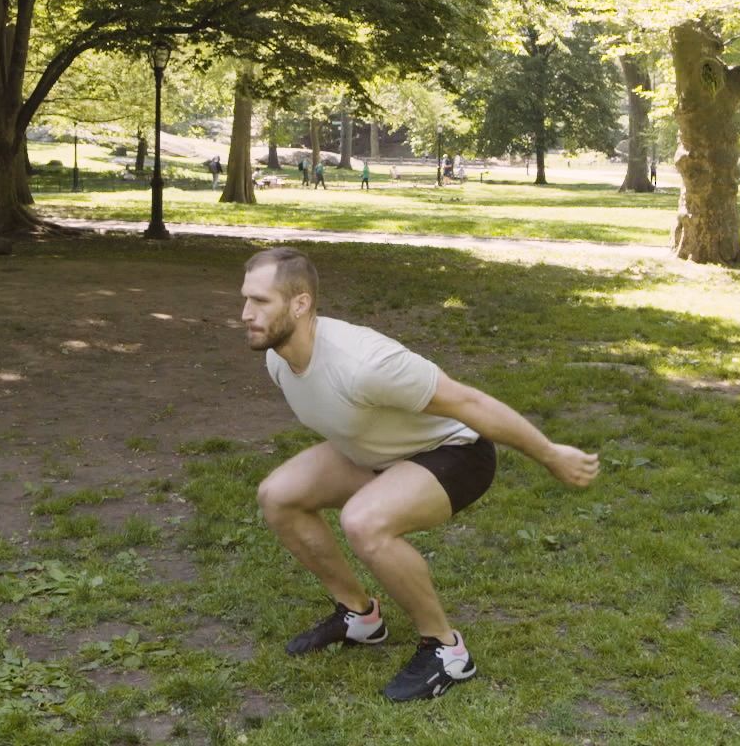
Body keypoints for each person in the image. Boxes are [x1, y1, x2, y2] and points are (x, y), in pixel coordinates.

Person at [240, 247, 599, 702]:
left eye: (260, 301)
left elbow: (470, 404)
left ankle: (446, 650)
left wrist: (551, 454)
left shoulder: (367, 363)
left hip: (455, 453)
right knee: (277, 495)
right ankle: (360, 618)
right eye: (245, 299)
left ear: (300, 303)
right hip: (379, 452)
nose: (246, 313)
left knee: (364, 521)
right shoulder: (278, 357)